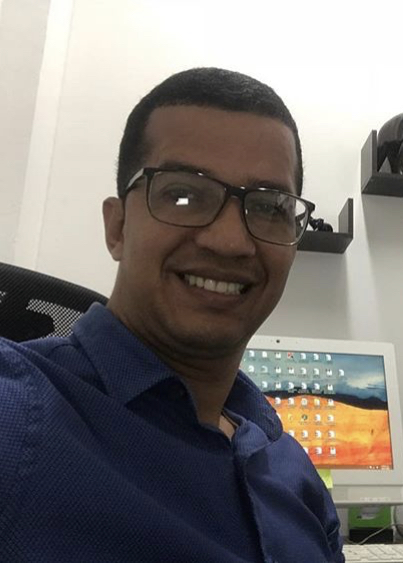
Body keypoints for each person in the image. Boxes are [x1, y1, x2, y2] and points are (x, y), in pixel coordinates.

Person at [0, 68, 344, 562]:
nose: (229, 241)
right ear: (117, 228)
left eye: (269, 208)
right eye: (183, 195)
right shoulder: (18, 415)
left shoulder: (292, 469)